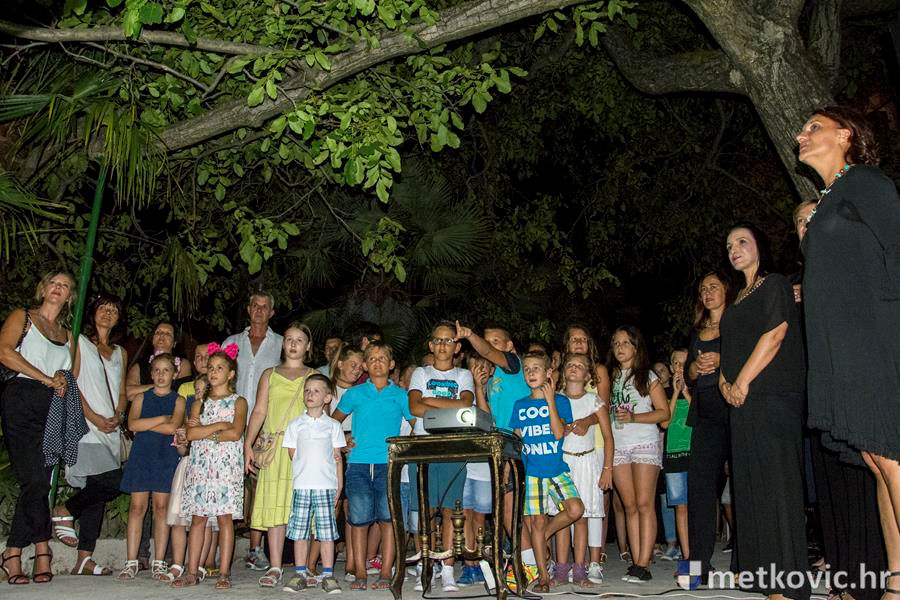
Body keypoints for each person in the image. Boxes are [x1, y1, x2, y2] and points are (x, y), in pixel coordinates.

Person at [797, 105, 900, 600]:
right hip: (840, 349)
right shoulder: (828, 201)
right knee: (878, 460)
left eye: (813, 127)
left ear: (846, 135)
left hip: (873, 339)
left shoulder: (866, 182)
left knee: (891, 454)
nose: (801, 134)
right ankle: (895, 583)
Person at [719, 223, 809, 600]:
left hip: (772, 397)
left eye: (742, 241)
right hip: (742, 403)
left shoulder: (774, 284)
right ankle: (759, 574)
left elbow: (775, 334)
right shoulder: (737, 298)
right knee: (750, 487)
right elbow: (727, 350)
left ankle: (785, 581)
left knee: (776, 486)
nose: (734, 249)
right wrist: (725, 384)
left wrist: (741, 382)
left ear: (760, 246)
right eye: (729, 245)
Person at [0, 271, 78, 585]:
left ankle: (12, 552)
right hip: (21, 398)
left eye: (65, 286)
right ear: (43, 288)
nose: (59, 288)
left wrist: (60, 381)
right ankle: (43, 548)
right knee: (32, 478)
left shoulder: (68, 335)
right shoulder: (23, 317)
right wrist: (45, 378)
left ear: (70, 296)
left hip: (52, 405)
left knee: (40, 482)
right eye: (54, 283)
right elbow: (5, 352)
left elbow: (70, 375)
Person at [454, 320, 540, 584]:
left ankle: (531, 566)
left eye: (495, 341)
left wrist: (470, 334)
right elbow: (487, 421)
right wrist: (480, 389)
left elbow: (489, 352)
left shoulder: (513, 366)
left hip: (517, 446)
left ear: (509, 346)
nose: (488, 347)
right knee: (507, 511)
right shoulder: (493, 379)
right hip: (500, 447)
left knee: (511, 511)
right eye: (486, 341)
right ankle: (532, 561)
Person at [53, 294, 128, 577]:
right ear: (92, 313)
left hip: (111, 430)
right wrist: (94, 417)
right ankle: (64, 509)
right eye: (102, 308)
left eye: (113, 310)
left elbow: (121, 391)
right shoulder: (80, 342)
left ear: (119, 318)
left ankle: (84, 559)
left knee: (96, 494)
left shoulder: (120, 352)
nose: (107, 313)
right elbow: (71, 382)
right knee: (116, 481)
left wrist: (119, 415)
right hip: (86, 427)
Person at [332, 341, 415, 591]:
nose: (377, 362)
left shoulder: (400, 395)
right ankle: (360, 571)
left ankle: (386, 572)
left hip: (388, 464)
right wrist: (342, 441)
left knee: (388, 519)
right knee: (358, 519)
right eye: (372, 358)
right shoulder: (354, 394)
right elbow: (333, 422)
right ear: (366, 365)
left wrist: (406, 447)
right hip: (358, 463)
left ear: (391, 365)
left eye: (382, 358)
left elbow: (415, 425)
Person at [244, 322, 314, 588]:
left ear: (308, 346)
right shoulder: (269, 374)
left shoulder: (314, 376)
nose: (293, 344)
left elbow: (322, 415)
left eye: (299, 340)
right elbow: (259, 410)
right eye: (289, 339)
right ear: (283, 343)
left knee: (302, 509)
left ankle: (302, 567)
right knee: (275, 508)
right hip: (275, 449)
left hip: (304, 450)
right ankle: (275, 566)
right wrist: (248, 443)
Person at [407, 321, 475, 592]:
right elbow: (414, 407)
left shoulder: (463, 375)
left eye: (449, 340)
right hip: (424, 445)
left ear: (457, 347)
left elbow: (465, 405)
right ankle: (425, 565)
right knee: (425, 509)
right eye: (438, 340)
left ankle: (447, 569)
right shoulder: (420, 373)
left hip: (453, 445)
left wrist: (429, 401)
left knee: (450, 508)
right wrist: (451, 406)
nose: (443, 345)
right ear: (431, 345)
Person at [508, 351, 584, 593]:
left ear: (548, 372)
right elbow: (517, 439)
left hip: (556, 469)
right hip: (533, 472)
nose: (531, 373)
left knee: (576, 509)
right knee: (537, 522)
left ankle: (542, 537)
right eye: (527, 369)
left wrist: (550, 400)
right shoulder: (520, 405)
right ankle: (542, 577)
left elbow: (559, 433)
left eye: (536, 368)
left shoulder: (561, 401)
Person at [173, 345, 247, 590]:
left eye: (220, 368)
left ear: (231, 374)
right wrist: (219, 426)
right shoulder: (199, 403)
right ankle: (192, 571)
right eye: (211, 368)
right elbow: (191, 433)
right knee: (198, 519)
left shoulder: (239, 402)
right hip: (201, 467)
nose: (213, 372)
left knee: (225, 519)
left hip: (226, 468)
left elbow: (235, 433)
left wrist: (208, 433)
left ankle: (224, 572)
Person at [223, 291, 283, 570]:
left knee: (259, 487)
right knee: (227, 482)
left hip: (265, 426)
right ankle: (218, 546)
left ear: (272, 312)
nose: (259, 310)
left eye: (264, 306)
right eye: (255, 306)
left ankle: (255, 549)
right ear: (248, 309)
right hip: (231, 424)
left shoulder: (281, 344)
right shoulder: (232, 343)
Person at [607, 325, 669, 583]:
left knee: (644, 504)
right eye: (616, 343)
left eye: (625, 343)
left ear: (636, 347)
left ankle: (644, 563)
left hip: (644, 442)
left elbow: (664, 413)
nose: (620, 347)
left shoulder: (647, 375)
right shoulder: (610, 377)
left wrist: (634, 417)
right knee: (629, 506)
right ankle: (636, 562)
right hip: (619, 445)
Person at [117, 353, 186, 581]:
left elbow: (173, 428)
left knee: (161, 509)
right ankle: (131, 561)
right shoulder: (141, 398)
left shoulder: (178, 400)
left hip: (164, 456)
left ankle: (159, 561)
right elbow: (132, 424)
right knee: (137, 508)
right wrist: (162, 419)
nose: (161, 375)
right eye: (156, 370)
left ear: (174, 374)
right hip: (142, 456)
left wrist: (147, 425)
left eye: (166, 370)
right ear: (151, 373)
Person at [684, 270, 733, 579]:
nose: (707, 292)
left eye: (713, 287)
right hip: (704, 413)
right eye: (703, 288)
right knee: (699, 489)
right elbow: (688, 376)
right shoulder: (697, 330)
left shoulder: (738, 323)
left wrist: (721, 360)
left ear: (727, 290)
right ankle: (696, 566)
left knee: (743, 487)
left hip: (734, 410)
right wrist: (694, 368)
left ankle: (746, 563)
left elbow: (753, 359)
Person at [281, 374, 345, 594]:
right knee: (300, 531)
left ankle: (328, 574)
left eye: (316, 391)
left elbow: (337, 457)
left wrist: (339, 485)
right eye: (307, 390)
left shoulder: (333, 426)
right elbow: (293, 454)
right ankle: (300, 573)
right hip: (302, 485)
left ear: (327, 397)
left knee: (326, 532)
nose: (310, 394)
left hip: (326, 486)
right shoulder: (295, 424)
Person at [553, 352, 614, 587]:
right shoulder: (556, 399)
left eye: (579, 366)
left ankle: (580, 569)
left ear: (588, 375)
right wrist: (562, 428)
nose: (574, 368)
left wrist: (607, 468)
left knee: (582, 518)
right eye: (570, 364)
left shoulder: (594, 401)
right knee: (563, 517)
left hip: (587, 463)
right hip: (563, 464)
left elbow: (608, 437)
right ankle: (561, 569)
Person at [660, 348, 692, 562]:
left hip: (695, 456)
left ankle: (699, 556)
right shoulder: (664, 393)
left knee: (697, 507)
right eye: (676, 364)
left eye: (684, 363)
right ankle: (687, 557)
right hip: (674, 458)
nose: (680, 367)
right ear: (671, 368)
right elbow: (664, 422)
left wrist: (687, 393)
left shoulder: (698, 390)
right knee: (681, 507)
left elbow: (701, 417)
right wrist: (675, 393)